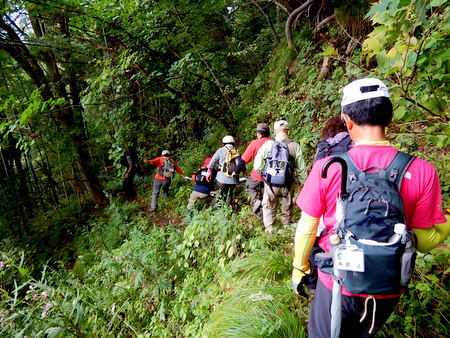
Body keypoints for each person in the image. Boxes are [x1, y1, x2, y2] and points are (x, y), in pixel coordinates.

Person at [292, 78, 448, 337]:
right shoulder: (422, 170)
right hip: (387, 284)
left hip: (336, 282)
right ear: (390, 117)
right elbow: (425, 241)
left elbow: (307, 228)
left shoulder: (328, 167)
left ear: (347, 120)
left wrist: (300, 268)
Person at [253, 120, 307, 233]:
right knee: (287, 205)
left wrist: (265, 175)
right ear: (288, 131)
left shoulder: (267, 144)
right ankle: (287, 227)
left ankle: (270, 230)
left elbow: (257, 166)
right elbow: (301, 169)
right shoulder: (295, 145)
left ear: (274, 131)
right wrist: (303, 183)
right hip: (287, 182)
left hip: (270, 184)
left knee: (268, 206)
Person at [240, 123, 271, 220]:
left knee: (249, 186)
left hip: (257, 175)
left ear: (259, 134)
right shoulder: (273, 142)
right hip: (271, 176)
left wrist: (238, 171)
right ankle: (265, 219)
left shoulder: (255, 143)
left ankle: (255, 201)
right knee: (264, 196)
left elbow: (243, 160)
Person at [205, 135, 241, 206]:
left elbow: (212, 161)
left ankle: (214, 211)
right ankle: (227, 211)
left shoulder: (220, 150)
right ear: (233, 143)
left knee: (218, 194)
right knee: (230, 195)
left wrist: (209, 171)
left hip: (222, 178)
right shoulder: (236, 151)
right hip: (233, 179)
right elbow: (240, 164)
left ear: (224, 143)